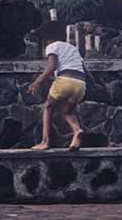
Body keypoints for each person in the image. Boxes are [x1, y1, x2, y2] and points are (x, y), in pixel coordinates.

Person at [27, 21, 95, 151]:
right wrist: (95, 84)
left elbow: (52, 66)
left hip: (65, 80)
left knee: (48, 107)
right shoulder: (72, 48)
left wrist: (37, 82)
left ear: (48, 37)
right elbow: (85, 70)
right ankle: (77, 131)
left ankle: (45, 141)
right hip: (80, 84)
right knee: (67, 112)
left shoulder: (52, 46)